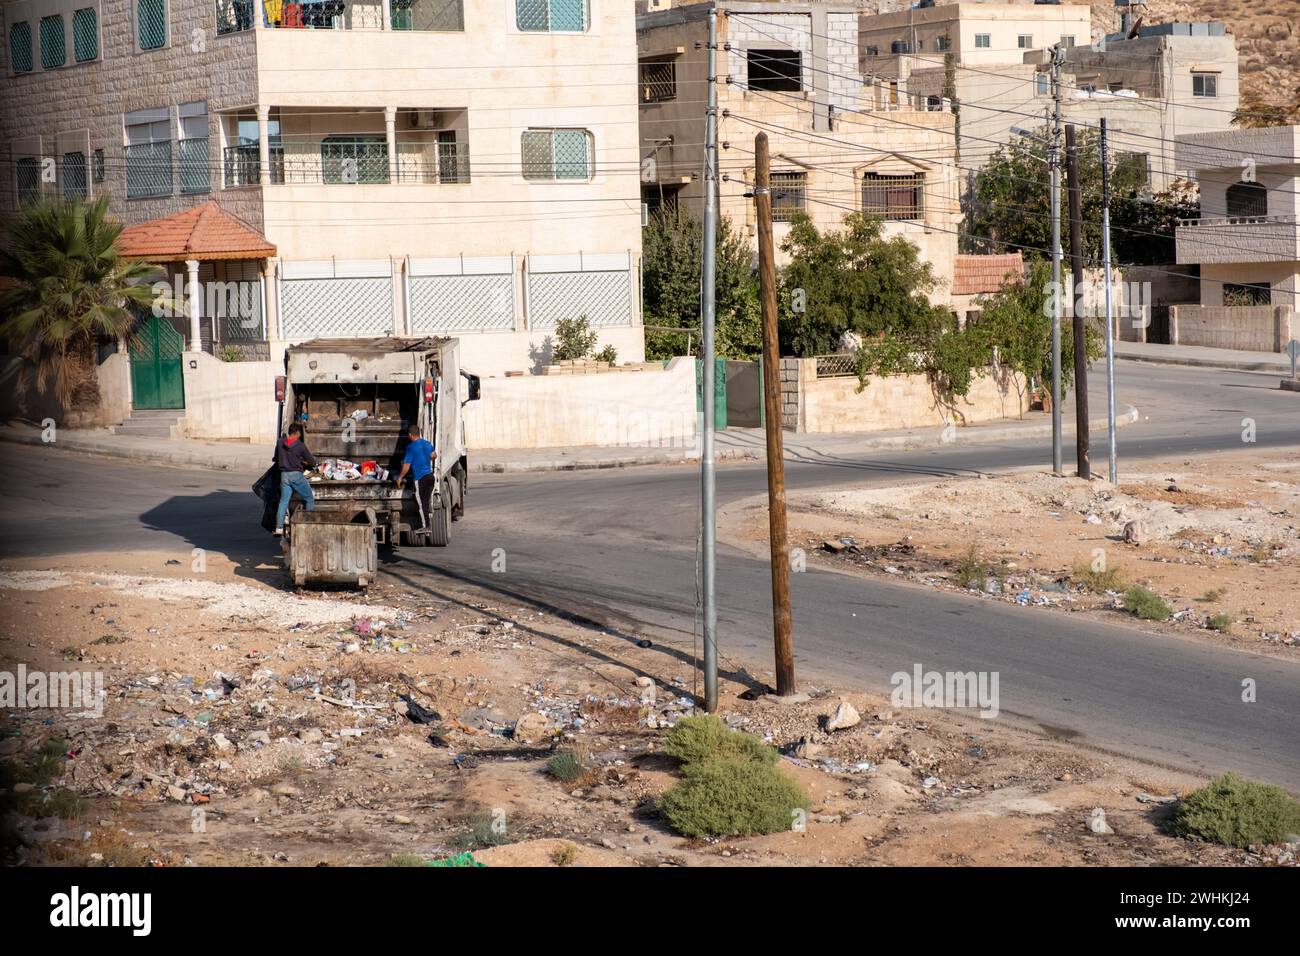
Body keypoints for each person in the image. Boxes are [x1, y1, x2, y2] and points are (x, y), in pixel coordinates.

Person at [274, 422, 317, 535]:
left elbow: (275, 458)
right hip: (296, 476)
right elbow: (312, 462)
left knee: (283, 501)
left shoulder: (279, 442)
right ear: (297, 433)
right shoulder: (300, 445)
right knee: (308, 498)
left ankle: (279, 527)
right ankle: (308, 525)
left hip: (284, 476)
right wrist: (303, 462)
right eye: (299, 434)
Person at [397, 423, 437, 532]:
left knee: (420, 503)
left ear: (410, 435)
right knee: (425, 501)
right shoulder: (427, 444)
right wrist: (425, 457)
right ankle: (426, 522)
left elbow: (407, 465)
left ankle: (426, 526)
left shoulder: (411, 447)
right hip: (430, 477)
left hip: (420, 479)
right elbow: (434, 455)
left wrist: (400, 477)